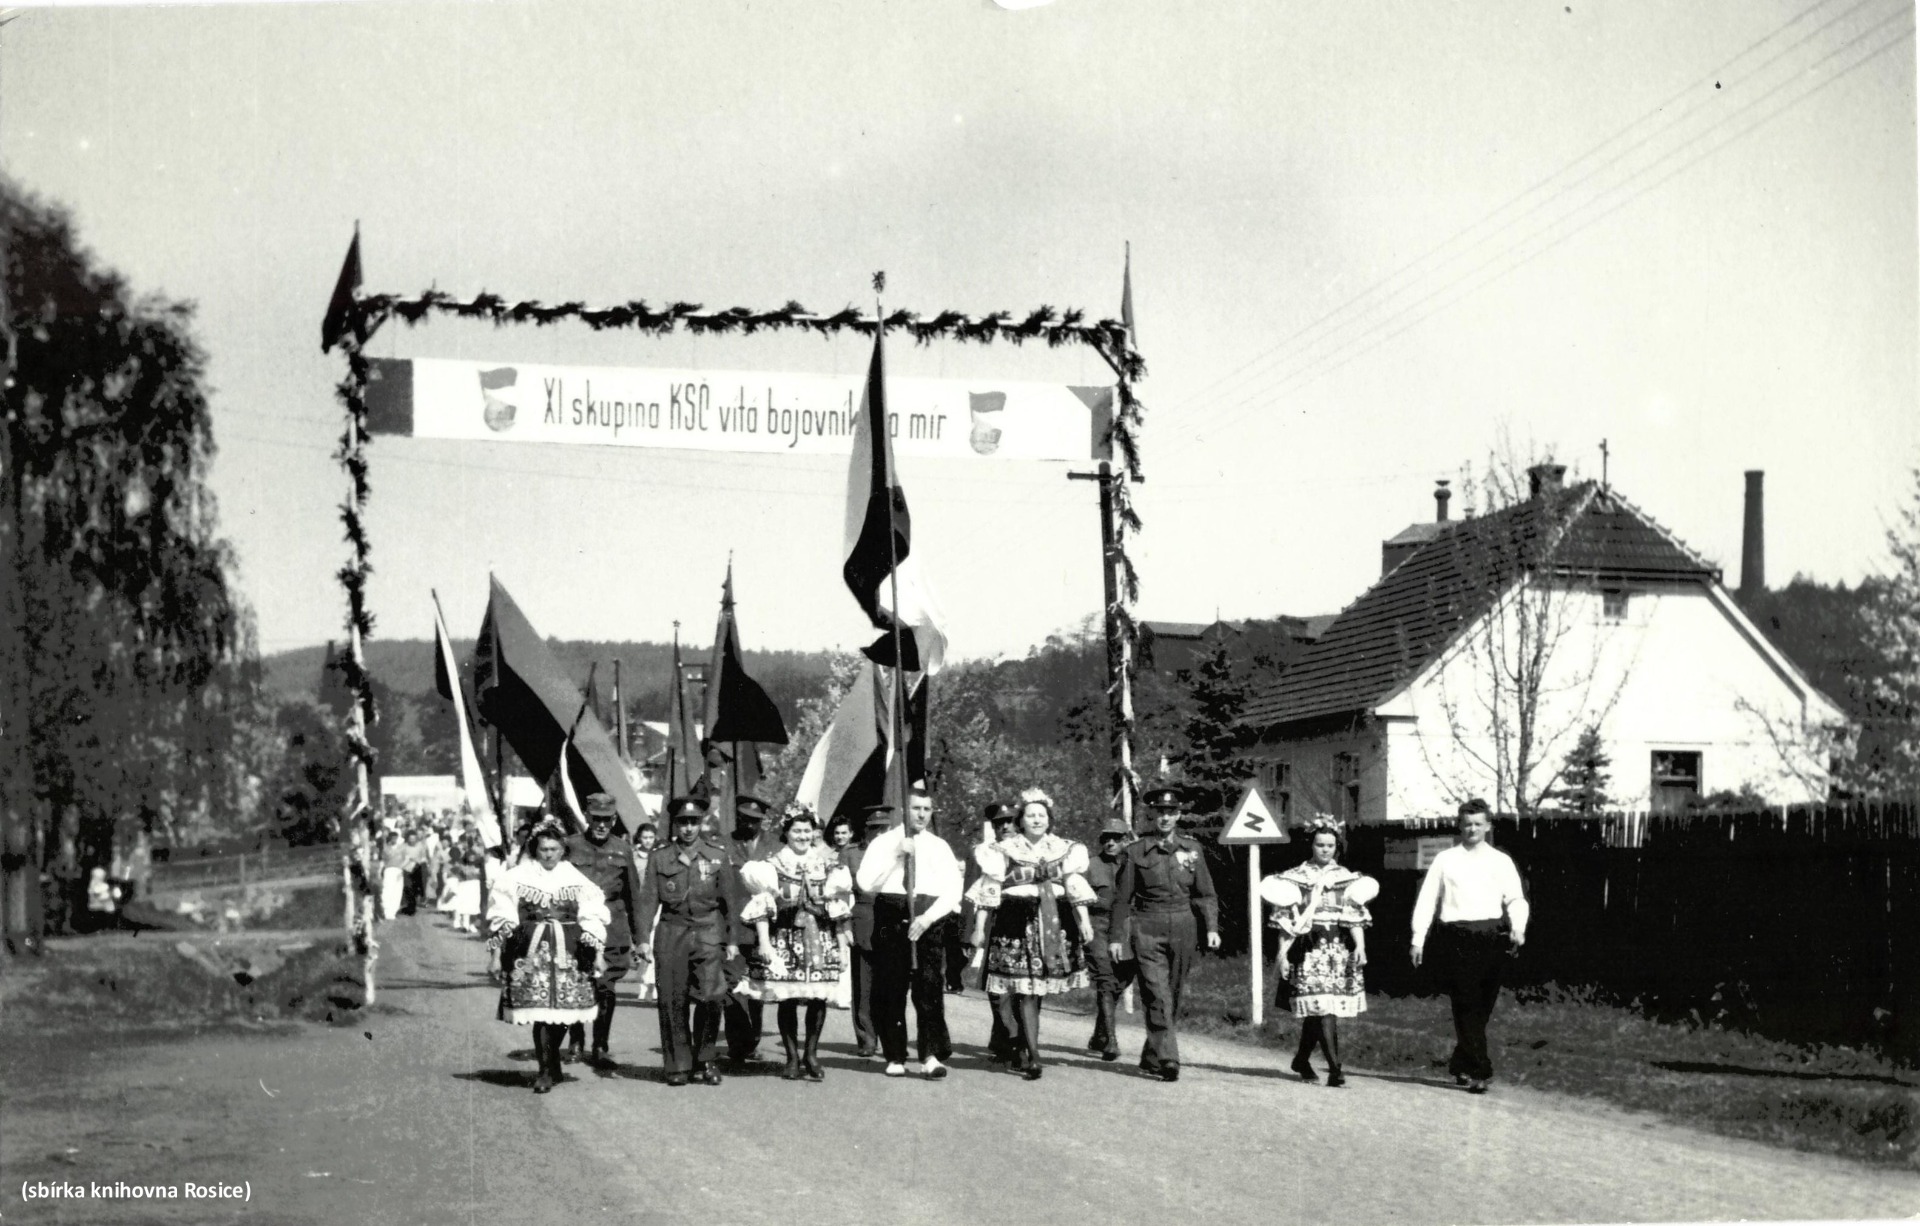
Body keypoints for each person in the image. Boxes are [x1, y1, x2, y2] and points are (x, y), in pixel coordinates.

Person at [967, 789, 1095, 1080]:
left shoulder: (1065, 848)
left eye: (1041, 815)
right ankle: (1032, 1054)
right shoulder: (1003, 849)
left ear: (1049, 820)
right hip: (1014, 923)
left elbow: (1074, 884)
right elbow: (990, 888)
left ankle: (1026, 1048)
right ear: (1021, 820)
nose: (1036, 820)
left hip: (1052, 922)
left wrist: (1084, 920)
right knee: (1023, 989)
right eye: (1030, 815)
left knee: (1037, 990)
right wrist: (978, 928)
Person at [1411, 798, 1529, 1094]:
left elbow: (1515, 898)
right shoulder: (1445, 859)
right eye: (1467, 824)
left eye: (1478, 824)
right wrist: (1418, 938)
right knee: (1466, 1003)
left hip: (1492, 935)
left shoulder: (1500, 861)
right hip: (1456, 936)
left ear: (1487, 826)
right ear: (1459, 826)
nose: (1472, 829)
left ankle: (1460, 1063)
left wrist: (1518, 927)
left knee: (1483, 1007)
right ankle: (1480, 1070)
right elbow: (1427, 899)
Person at [485, 819, 610, 1094]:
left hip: (570, 951)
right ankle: (544, 1070)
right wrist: (496, 955)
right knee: (541, 1012)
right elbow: (502, 914)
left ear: (562, 850)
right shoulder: (517, 876)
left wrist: (598, 952)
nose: (549, 854)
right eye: (544, 849)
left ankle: (552, 1060)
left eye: (554, 849)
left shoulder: (574, 877)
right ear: (535, 849)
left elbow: (593, 914)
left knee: (565, 1012)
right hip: (530, 950)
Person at [1109, 786, 1220, 1082]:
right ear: (1152, 814)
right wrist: (1117, 937)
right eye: (1160, 812)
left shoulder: (1192, 850)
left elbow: (1206, 893)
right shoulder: (1135, 852)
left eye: (1171, 812)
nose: (1165, 817)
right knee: (1156, 993)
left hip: (1184, 926)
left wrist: (1211, 927)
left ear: (1179, 815)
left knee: (1172, 994)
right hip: (1147, 925)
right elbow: (1122, 899)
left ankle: (1151, 1055)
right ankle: (1169, 1058)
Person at [738, 803, 854, 1081]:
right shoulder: (772, 865)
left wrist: (841, 947)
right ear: (786, 833)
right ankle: (791, 1058)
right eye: (796, 831)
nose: (802, 836)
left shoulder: (828, 865)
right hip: (785, 939)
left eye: (807, 831)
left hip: (820, 939)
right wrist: (764, 943)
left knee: (817, 998)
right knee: (786, 999)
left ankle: (810, 1054)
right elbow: (764, 907)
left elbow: (837, 910)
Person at [854, 785, 963, 1080]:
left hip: (928, 918)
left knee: (928, 988)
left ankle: (929, 1055)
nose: (922, 815)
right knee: (891, 987)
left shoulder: (939, 846)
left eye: (927, 809)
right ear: (904, 809)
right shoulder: (884, 842)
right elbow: (866, 883)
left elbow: (953, 889)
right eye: (917, 808)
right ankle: (894, 1055)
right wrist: (895, 855)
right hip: (892, 914)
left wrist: (928, 918)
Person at [1261, 815, 1377, 1087]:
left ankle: (1302, 1059)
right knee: (1321, 1007)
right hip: (1307, 948)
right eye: (1320, 844)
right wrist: (1283, 955)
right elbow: (1285, 923)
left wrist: (1360, 946)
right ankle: (1336, 1069)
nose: (1325, 850)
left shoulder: (1346, 879)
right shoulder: (1295, 878)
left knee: (1324, 1007)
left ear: (1337, 847)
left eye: (1330, 845)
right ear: (1311, 845)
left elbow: (1354, 917)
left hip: (1337, 951)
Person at [636, 796, 738, 1087]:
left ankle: (704, 1059)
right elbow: (647, 902)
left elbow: (729, 903)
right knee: (672, 999)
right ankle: (677, 1065)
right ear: (675, 824)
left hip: (708, 931)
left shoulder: (717, 855)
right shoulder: (660, 857)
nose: (689, 828)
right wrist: (643, 939)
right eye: (683, 822)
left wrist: (731, 941)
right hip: (672, 931)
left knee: (712, 995)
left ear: (702, 823)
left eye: (694, 822)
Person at [564, 793, 643, 1065]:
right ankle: (576, 1041)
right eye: (596, 819)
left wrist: (640, 939)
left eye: (607, 820)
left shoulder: (623, 849)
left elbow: (634, 897)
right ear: (587, 816)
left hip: (612, 928)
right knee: (577, 983)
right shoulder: (570, 846)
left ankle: (601, 1045)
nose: (601, 825)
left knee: (605, 987)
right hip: (576, 928)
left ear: (613, 820)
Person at [966, 802, 1020, 1062]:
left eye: (1010, 821)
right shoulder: (985, 853)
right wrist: (975, 930)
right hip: (997, 923)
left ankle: (1008, 1041)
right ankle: (1008, 1037)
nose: (1006, 826)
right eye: (1000, 823)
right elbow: (979, 894)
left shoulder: (1028, 848)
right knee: (997, 987)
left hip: (1025, 924)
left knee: (1021, 987)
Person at [722, 794, 774, 1066]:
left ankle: (752, 1039)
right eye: (744, 819)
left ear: (761, 821)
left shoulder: (774, 844)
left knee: (758, 984)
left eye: (754, 821)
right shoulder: (725, 844)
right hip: (734, 923)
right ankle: (737, 1044)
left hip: (766, 927)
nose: (749, 825)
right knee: (732, 983)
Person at [1083, 814, 1139, 1061]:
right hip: (1097, 927)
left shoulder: (1135, 864)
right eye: (1106, 838)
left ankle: (1099, 1035)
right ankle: (1111, 1042)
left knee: (1121, 980)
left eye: (1116, 839)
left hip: (1127, 927)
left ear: (1126, 840)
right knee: (1106, 979)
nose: (1110, 843)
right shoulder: (1090, 865)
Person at [842, 806, 892, 1058]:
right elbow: (840, 894)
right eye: (875, 829)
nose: (880, 834)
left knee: (890, 984)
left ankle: (890, 1036)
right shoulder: (851, 854)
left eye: (885, 829)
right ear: (866, 830)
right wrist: (844, 925)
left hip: (892, 922)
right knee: (863, 984)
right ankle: (867, 1037)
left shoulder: (898, 854)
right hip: (862, 920)